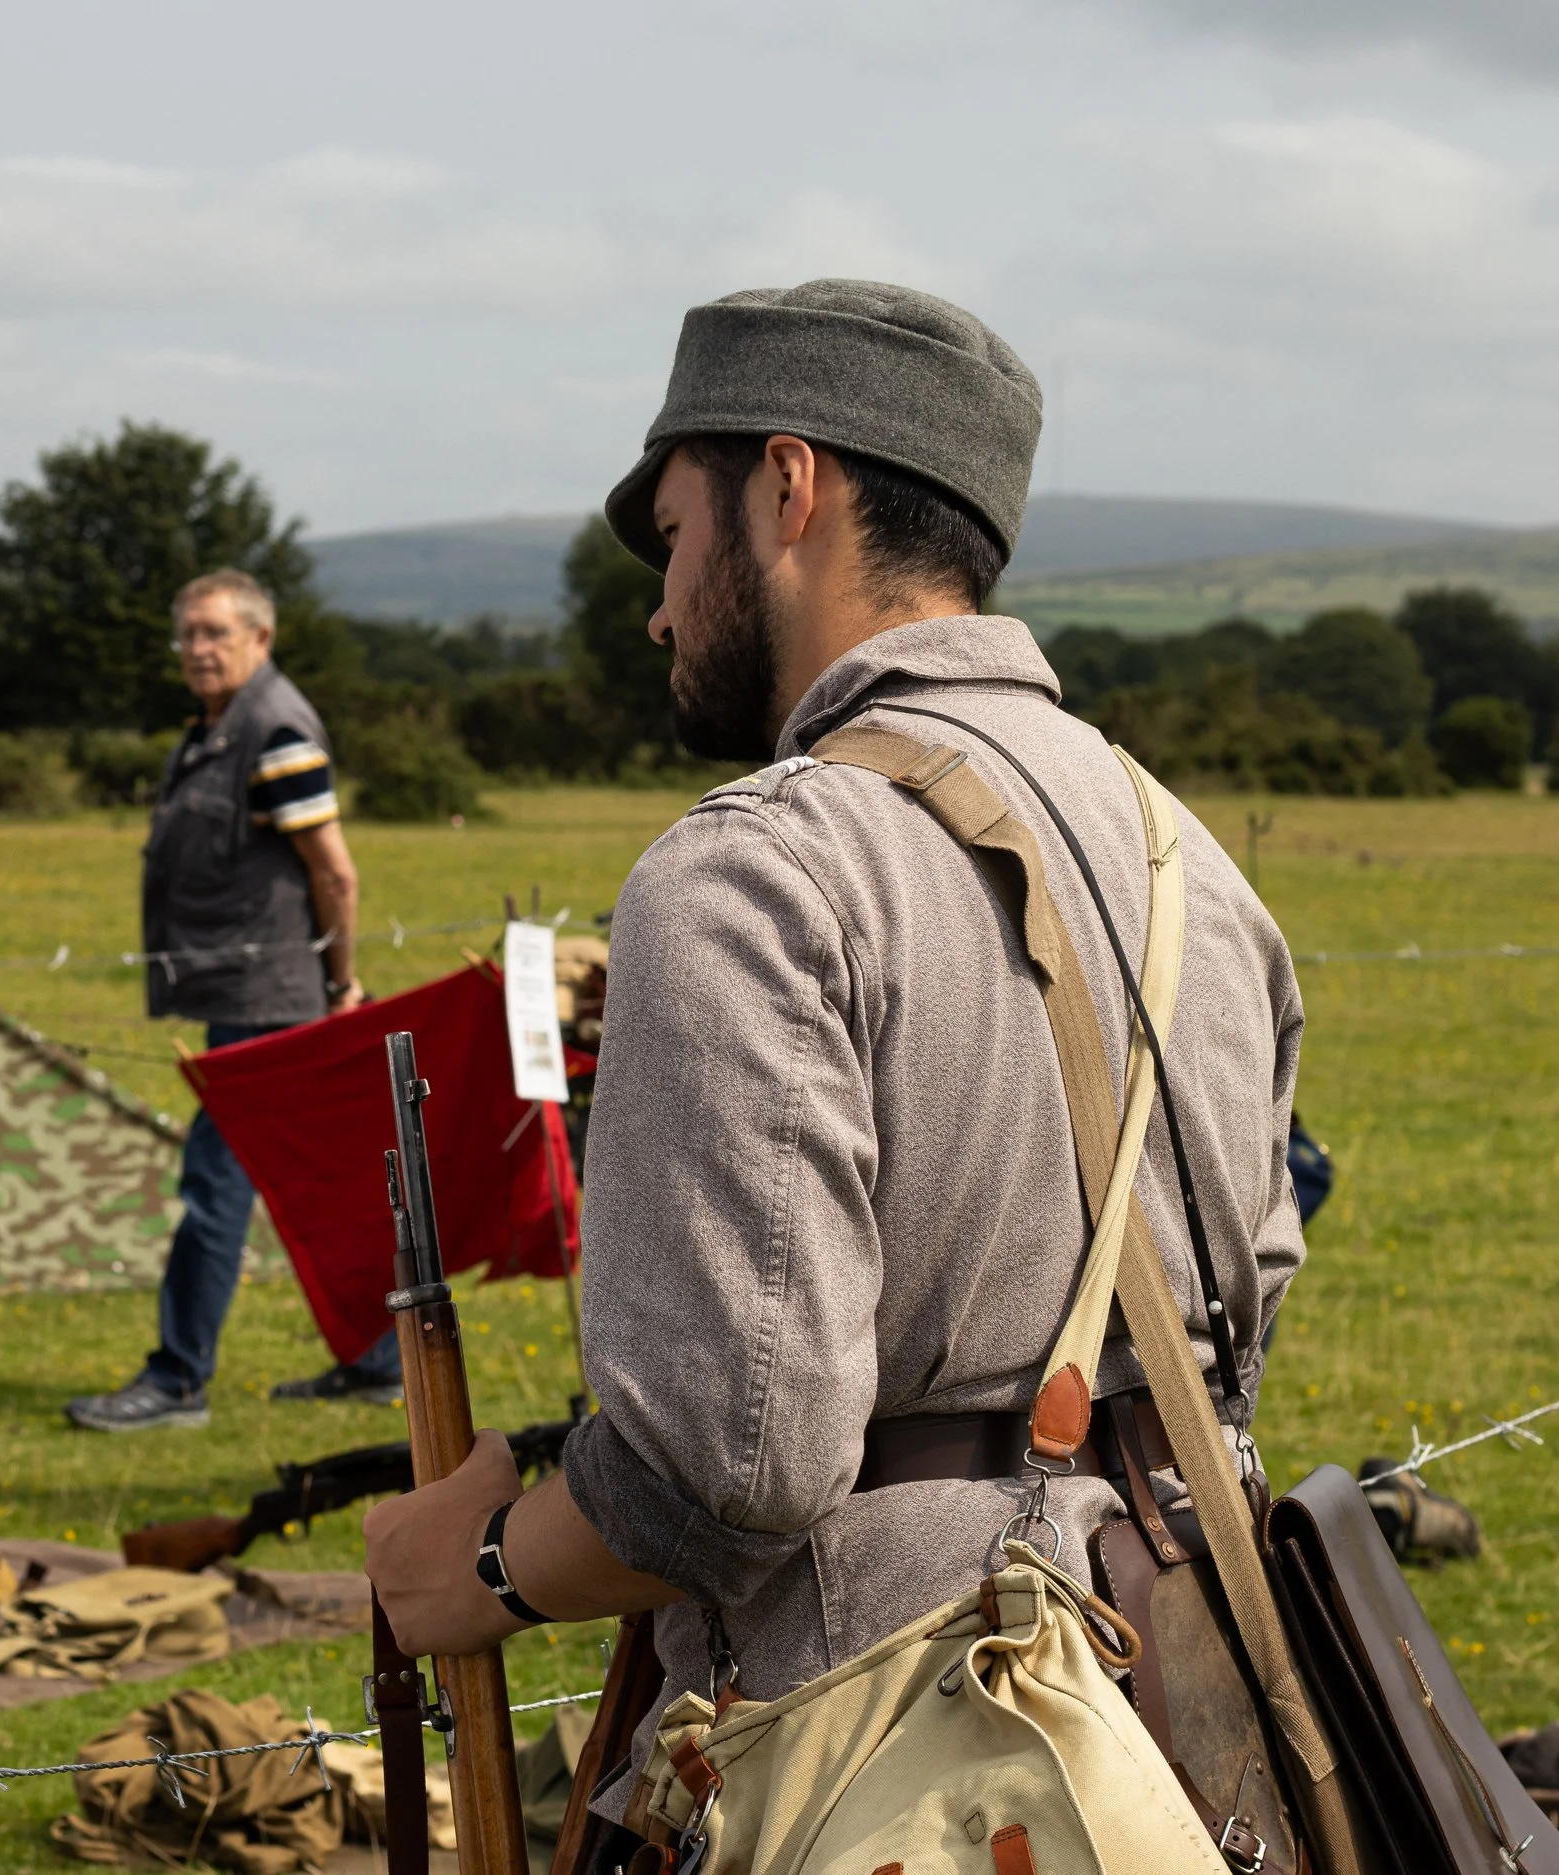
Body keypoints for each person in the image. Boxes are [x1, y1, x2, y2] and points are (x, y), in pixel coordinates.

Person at [364, 281, 1305, 1829]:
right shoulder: (1184, 852)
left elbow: (730, 1467)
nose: (661, 606)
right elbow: (1242, 1305)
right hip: (1195, 1735)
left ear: (788, 488)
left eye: (672, 536)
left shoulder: (752, 872)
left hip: (894, 1762)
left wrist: (469, 1571)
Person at [65, 568, 388, 1432]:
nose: (200, 650)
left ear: (260, 639)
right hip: (252, 990)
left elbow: (335, 871)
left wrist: (342, 982)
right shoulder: (216, 727)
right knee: (321, 1179)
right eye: (189, 635)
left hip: (270, 997)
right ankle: (380, 1363)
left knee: (217, 1183)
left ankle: (177, 1382)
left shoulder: (275, 727)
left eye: (216, 633)